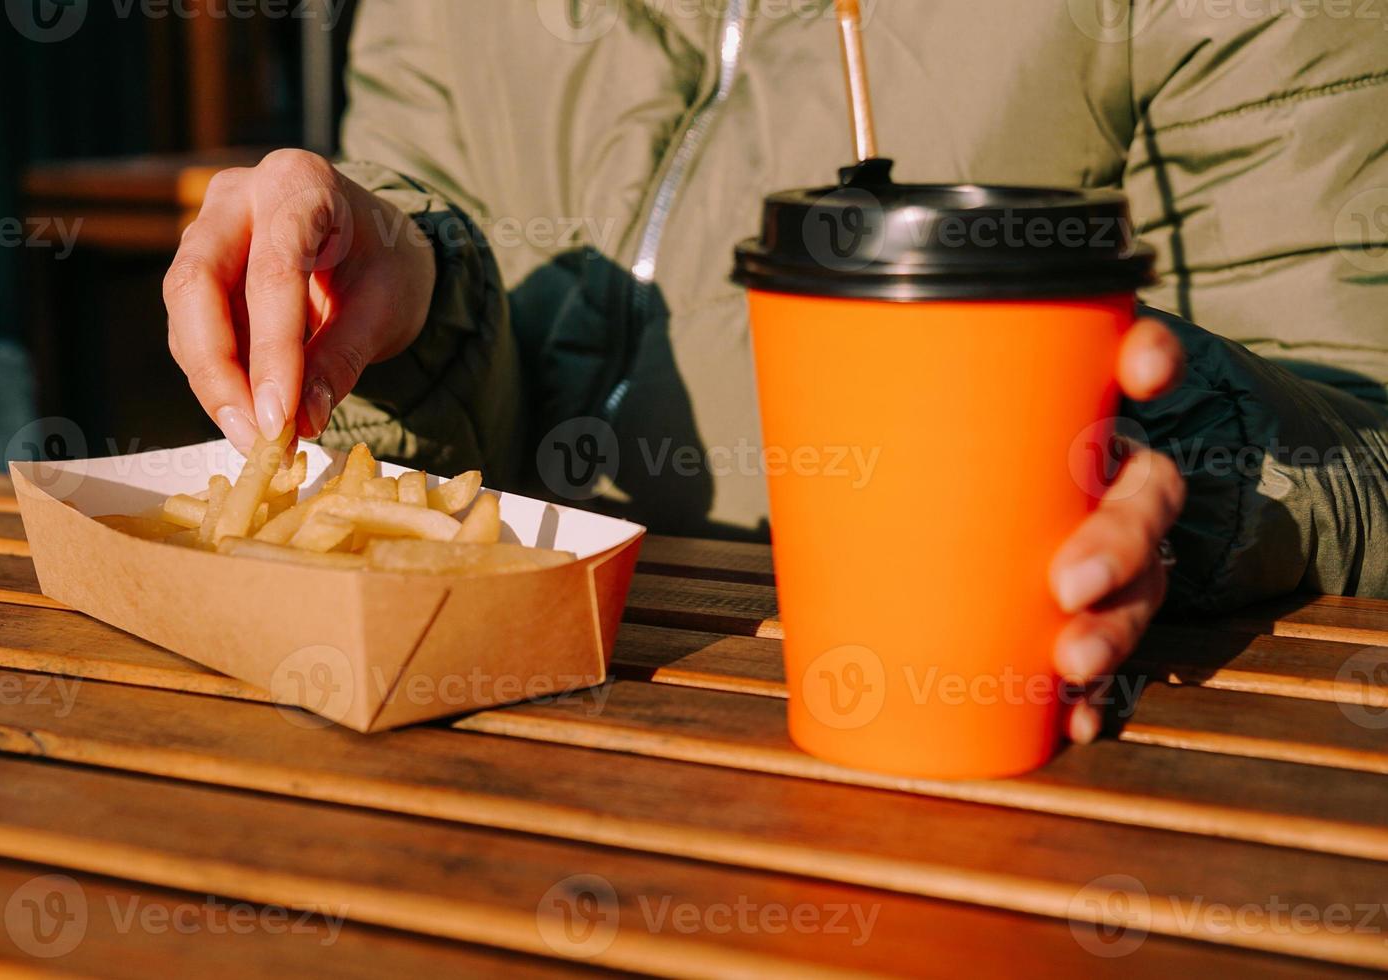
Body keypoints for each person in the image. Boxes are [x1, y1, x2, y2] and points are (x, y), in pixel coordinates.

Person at [162, 0, 1388, 743]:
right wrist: (410, 292)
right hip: (473, 764)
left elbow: (1363, 435)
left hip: (970, 798)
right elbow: (466, 387)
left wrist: (1167, 469)